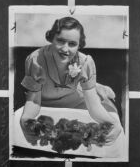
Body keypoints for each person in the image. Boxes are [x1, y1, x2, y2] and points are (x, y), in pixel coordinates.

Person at [20, 17, 122, 147]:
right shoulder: (35, 59)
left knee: (109, 108)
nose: (65, 49)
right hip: (45, 100)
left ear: (79, 45)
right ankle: (95, 86)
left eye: (72, 44)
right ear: (52, 38)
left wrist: (114, 123)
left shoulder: (85, 62)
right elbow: (33, 101)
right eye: (60, 41)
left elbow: (94, 106)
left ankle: (95, 87)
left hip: (74, 98)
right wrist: (25, 119)